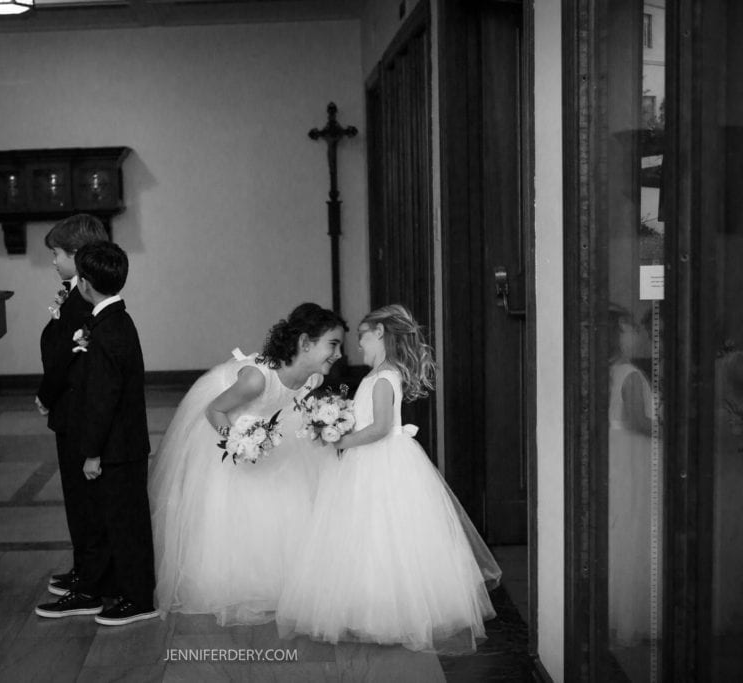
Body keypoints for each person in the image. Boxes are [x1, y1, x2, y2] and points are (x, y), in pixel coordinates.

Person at [276, 304, 501, 653]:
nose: (358, 347)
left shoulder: (383, 377)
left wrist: (342, 440)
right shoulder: (379, 374)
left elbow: (381, 427)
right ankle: (369, 607)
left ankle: (387, 612)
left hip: (380, 462)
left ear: (379, 333)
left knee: (383, 533)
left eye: (363, 337)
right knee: (367, 534)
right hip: (370, 461)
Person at [150, 303, 346, 626]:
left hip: (268, 428)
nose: (338, 354)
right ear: (305, 343)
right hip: (226, 421)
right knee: (236, 504)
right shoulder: (257, 379)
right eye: (333, 345)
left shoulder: (311, 378)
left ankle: (283, 577)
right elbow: (214, 411)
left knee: (286, 494)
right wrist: (238, 441)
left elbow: (290, 410)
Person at [34, 241, 157, 625]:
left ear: (84, 283)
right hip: (125, 444)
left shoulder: (106, 331)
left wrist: (91, 453)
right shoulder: (116, 320)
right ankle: (122, 589)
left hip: (117, 447)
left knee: (126, 524)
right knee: (119, 520)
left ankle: (138, 600)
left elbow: (104, 400)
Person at [34, 214, 108, 600]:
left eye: (57, 253)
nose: (52, 260)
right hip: (71, 408)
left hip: (76, 410)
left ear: (78, 255)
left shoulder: (83, 300)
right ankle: (84, 566)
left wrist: (46, 393)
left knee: (84, 500)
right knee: (76, 497)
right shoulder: (75, 292)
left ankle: (92, 577)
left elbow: (67, 355)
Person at [606, 305, 661, 648]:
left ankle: (615, 607)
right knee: (637, 527)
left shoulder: (609, 371)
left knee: (621, 527)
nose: (636, 334)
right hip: (635, 454)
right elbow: (640, 422)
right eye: (629, 328)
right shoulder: (630, 373)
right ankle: (637, 613)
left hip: (616, 452)